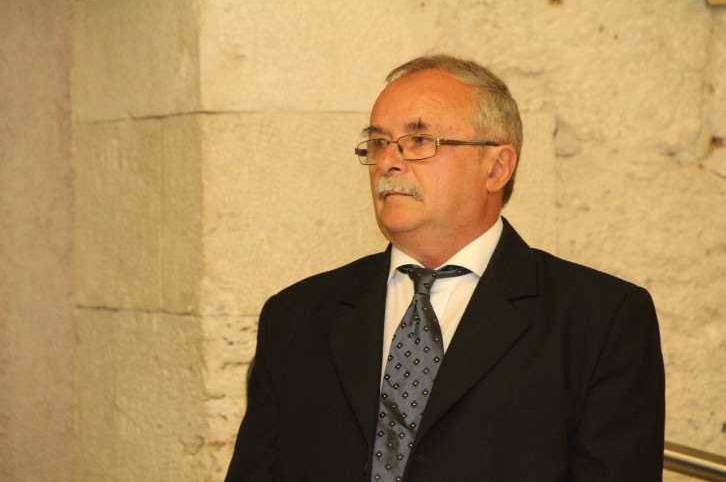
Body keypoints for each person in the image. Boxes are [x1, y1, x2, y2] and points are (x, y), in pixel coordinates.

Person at [225, 54, 665, 481]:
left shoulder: (600, 320)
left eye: (419, 141)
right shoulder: (296, 316)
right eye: (378, 143)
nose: (387, 162)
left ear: (497, 167)